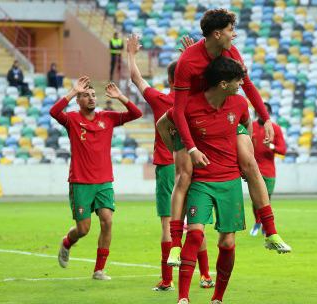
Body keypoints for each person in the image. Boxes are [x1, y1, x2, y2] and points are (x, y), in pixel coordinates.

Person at [167, 8, 291, 265]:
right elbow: (178, 110)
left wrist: (266, 118)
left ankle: (271, 231)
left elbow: (247, 85)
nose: (234, 35)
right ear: (217, 33)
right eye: (230, 30)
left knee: (249, 162)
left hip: (225, 117)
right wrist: (190, 148)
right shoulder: (188, 62)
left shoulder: (231, 53)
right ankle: (175, 245)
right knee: (185, 176)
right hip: (194, 122)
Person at [160, 56, 251, 304]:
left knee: (228, 242)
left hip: (230, 182)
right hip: (201, 182)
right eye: (237, 80)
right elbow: (163, 123)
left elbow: (246, 125)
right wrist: (177, 149)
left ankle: (217, 298)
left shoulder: (240, 104)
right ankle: (183, 297)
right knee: (196, 235)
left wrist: (246, 158)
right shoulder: (189, 106)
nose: (241, 83)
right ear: (223, 84)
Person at [126, 34, 214, 291]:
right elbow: (206, 79)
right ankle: (206, 274)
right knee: (196, 222)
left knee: (169, 223)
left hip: (169, 167)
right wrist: (195, 57)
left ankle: (167, 279)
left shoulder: (162, 100)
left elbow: (136, 79)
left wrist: (131, 54)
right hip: (198, 164)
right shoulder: (199, 102)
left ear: (169, 81)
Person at [50, 76, 142, 280]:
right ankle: (67, 242)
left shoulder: (107, 118)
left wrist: (120, 97)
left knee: (107, 221)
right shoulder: (72, 119)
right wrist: (73, 91)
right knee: (83, 229)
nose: (91, 98)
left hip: (104, 182)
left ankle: (99, 270)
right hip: (81, 182)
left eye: (93, 95)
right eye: (85, 95)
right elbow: (54, 112)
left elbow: (137, 113)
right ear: (78, 101)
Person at [250, 102, 286, 236]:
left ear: (268, 113)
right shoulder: (250, 127)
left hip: (269, 170)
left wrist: (271, 147)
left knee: (266, 199)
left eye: (264, 111)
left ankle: (265, 225)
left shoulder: (275, 129)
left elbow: (282, 150)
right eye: (259, 110)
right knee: (255, 199)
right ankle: (257, 222)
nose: (261, 113)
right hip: (253, 169)